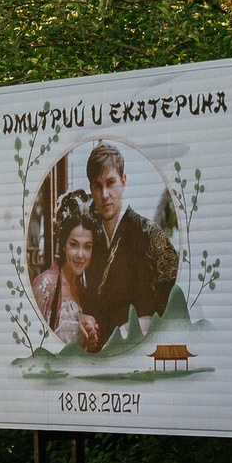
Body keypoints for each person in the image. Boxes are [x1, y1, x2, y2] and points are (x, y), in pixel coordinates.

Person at [80, 141, 181, 334]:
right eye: (97, 186)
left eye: (110, 183)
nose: (105, 195)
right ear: (91, 189)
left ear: (123, 181)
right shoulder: (90, 239)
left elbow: (175, 304)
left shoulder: (150, 235)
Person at [31, 216, 104, 350]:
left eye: (87, 247)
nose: (80, 255)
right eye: (74, 245)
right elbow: (31, 341)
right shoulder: (46, 283)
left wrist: (90, 338)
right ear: (63, 245)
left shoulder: (85, 289)